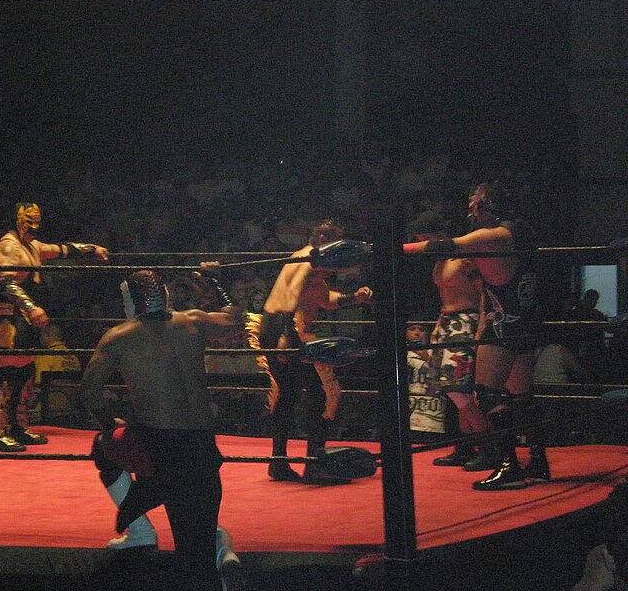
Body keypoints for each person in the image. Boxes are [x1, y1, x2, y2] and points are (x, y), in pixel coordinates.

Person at [82, 269, 244, 590]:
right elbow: (236, 319)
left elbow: (88, 392)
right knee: (195, 539)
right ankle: (218, 553)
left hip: (159, 450)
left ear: (129, 301)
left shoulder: (119, 336)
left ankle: (144, 530)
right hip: (203, 448)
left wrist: (107, 423)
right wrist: (213, 284)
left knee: (104, 445)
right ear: (166, 296)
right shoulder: (194, 321)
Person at [404, 181, 548, 490]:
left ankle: (509, 466)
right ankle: (538, 460)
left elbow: (443, 247)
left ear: (492, 207)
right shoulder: (520, 232)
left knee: (487, 394)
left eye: (478, 204)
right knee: (522, 397)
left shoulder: (494, 236)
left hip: (503, 325)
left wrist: (391, 247)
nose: (473, 210)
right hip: (524, 320)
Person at [250, 220, 374, 484]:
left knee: (288, 394)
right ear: (321, 239)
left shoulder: (305, 260)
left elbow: (323, 299)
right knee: (321, 393)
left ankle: (278, 462)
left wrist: (355, 297)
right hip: (287, 326)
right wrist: (288, 335)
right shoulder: (309, 262)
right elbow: (291, 297)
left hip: (272, 325)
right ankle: (316, 466)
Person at [0, 202, 108, 452]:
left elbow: (62, 249)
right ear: (16, 221)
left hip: (25, 318)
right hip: (8, 318)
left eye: (37, 221)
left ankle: (20, 426)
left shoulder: (32, 246)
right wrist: (31, 307)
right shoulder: (9, 247)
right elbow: (6, 284)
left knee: (26, 371)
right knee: (7, 373)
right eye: (28, 221)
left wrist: (91, 249)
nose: (34, 226)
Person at [425, 246, 493, 470]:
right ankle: (466, 447)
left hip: (465, 322)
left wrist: (481, 327)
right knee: (452, 392)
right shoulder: (440, 260)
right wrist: (437, 325)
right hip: (448, 323)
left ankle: (489, 447)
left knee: (458, 389)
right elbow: (445, 297)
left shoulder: (465, 260)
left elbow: (484, 292)